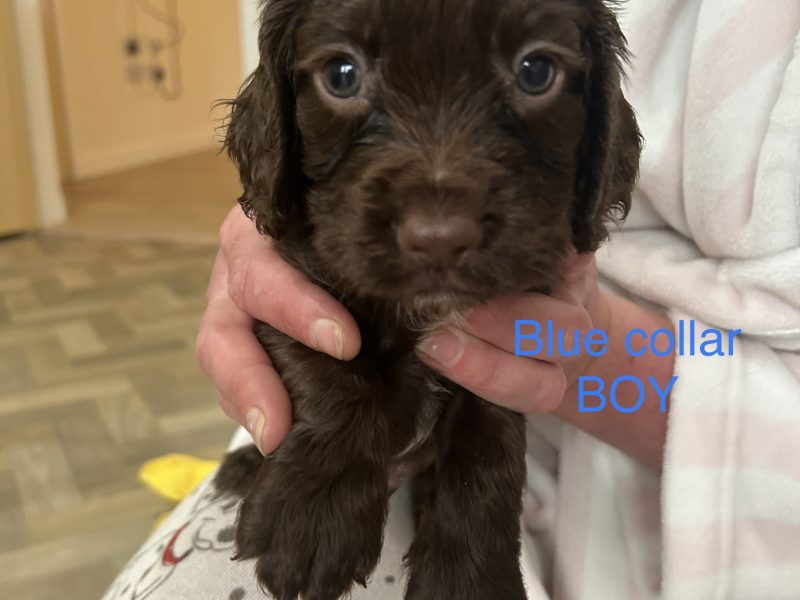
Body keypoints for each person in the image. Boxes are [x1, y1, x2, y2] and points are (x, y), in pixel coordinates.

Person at [105, 2, 800, 599]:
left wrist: (586, 354)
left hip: (671, 515)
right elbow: (284, 276)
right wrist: (264, 245)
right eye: (342, 75)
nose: (438, 223)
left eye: (535, 73)